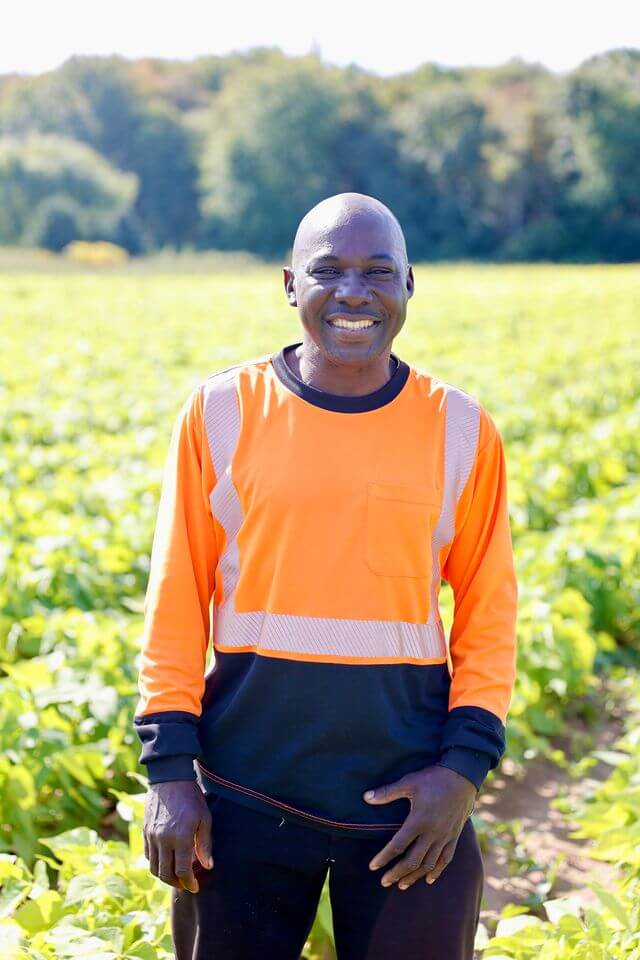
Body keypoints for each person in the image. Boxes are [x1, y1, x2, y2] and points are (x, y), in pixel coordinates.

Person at [133, 192, 518, 960]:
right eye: (328, 270)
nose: (353, 292)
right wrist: (170, 774)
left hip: (408, 807)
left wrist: (461, 774)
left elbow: (489, 612)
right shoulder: (219, 412)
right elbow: (175, 599)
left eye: (379, 272)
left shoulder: (461, 429)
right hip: (243, 799)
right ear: (288, 285)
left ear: (410, 285)